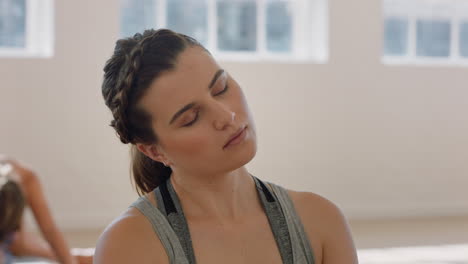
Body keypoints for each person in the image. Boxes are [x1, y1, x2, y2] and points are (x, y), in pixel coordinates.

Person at [94, 29, 358, 264]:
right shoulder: (128, 245)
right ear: (154, 151)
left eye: (221, 88)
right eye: (191, 118)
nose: (225, 117)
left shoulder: (321, 221)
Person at [0, 156, 93, 264]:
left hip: (16, 245)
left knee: (19, 244)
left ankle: (87, 257)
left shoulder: (26, 178)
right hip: (13, 248)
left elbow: (50, 230)